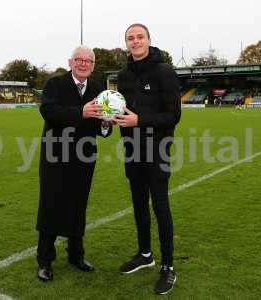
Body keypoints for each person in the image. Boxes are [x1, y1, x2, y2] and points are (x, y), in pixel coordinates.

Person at [114, 23, 181, 295]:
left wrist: (140, 120)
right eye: (130, 38)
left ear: (149, 40)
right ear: (127, 44)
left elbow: (173, 115)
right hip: (132, 150)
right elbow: (121, 111)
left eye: (140, 37)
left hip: (158, 150)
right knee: (139, 204)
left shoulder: (164, 71)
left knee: (160, 206)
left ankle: (167, 267)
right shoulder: (123, 75)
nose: (135, 41)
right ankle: (145, 254)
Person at [36, 45, 111, 282]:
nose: (83, 63)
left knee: (79, 207)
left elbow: (101, 127)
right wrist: (82, 112)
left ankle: (76, 255)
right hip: (56, 156)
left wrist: (107, 123)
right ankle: (45, 261)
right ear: (70, 62)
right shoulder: (55, 84)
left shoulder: (99, 90)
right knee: (51, 205)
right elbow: (49, 112)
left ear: (93, 65)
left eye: (88, 61)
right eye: (78, 59)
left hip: (84, 157)